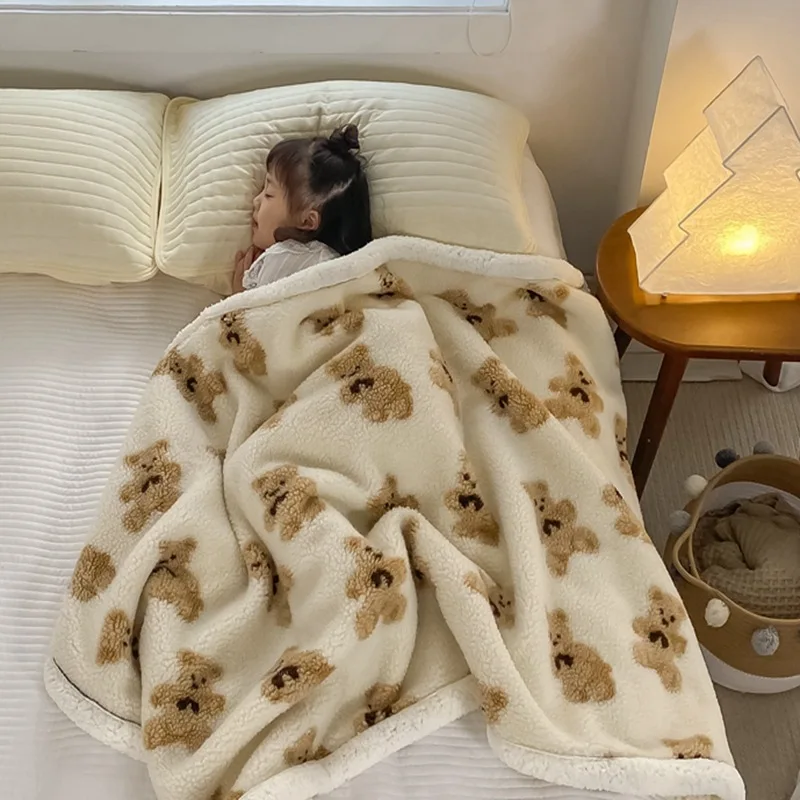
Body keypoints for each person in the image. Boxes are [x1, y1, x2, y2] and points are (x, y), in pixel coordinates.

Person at [232, 124, 372, 293]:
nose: (256, 201)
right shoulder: (341, 265)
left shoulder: (282, 259)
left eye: (268, 194)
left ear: (307, 221)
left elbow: (257, 309)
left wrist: (238, 296)